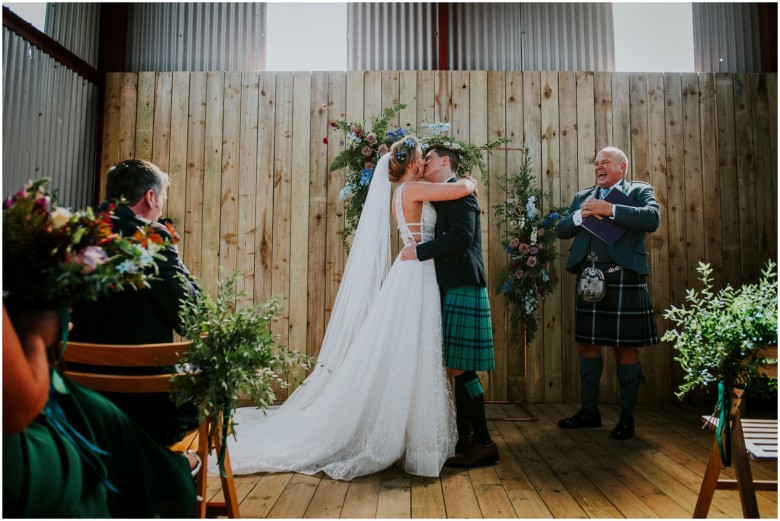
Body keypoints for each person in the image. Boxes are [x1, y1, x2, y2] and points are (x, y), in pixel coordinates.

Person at [216, 136, 477, 481]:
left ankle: (409, 431)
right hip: (416, 271)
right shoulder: (411, 190)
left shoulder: (404, 189)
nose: (426, 162)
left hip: (415, 268)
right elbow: (458, 191)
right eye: (422, 157)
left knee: (410, 348)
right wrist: (469, 181)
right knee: (412, 347)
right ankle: (408, 436)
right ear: (413, 162)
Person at [3, 305, 197, 517]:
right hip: (153, 416)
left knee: (92, 410)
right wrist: (35, 336)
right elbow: (194, 314)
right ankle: (168, 475)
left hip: (82, 384)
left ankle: (165, 473)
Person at [70, 159, 200, 445]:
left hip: (79, 405)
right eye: (162, 199)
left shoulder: (72, 232)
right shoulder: (152, 238)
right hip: (144, 408)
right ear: (150, 197)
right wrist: (177, 261)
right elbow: (192, 317)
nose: (162, 208)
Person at [400, 144, 499, 468]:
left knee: (462, 366)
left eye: (428, 158)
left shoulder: (460, 194)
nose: (424, 162)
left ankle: (483, 442)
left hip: (463, 282)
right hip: (450, 284)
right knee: (457, 365)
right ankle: (466, 438)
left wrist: (421, 251)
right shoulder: (444, 193)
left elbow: (460, 236)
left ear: (445, 161)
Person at [554, 146, 660, 439]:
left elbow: (652, 218)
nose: (598, 167)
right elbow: (561, 230)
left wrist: (609, 209)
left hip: (623, 278)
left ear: (622, 168)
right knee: (587, 345)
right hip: (589, 281)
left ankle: (627, 419)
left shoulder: (639, 190)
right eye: (596, 162)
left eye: (605, 163)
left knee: (625, 349)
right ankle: (589, 412)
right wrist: (580, 216)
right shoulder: (582, 197)